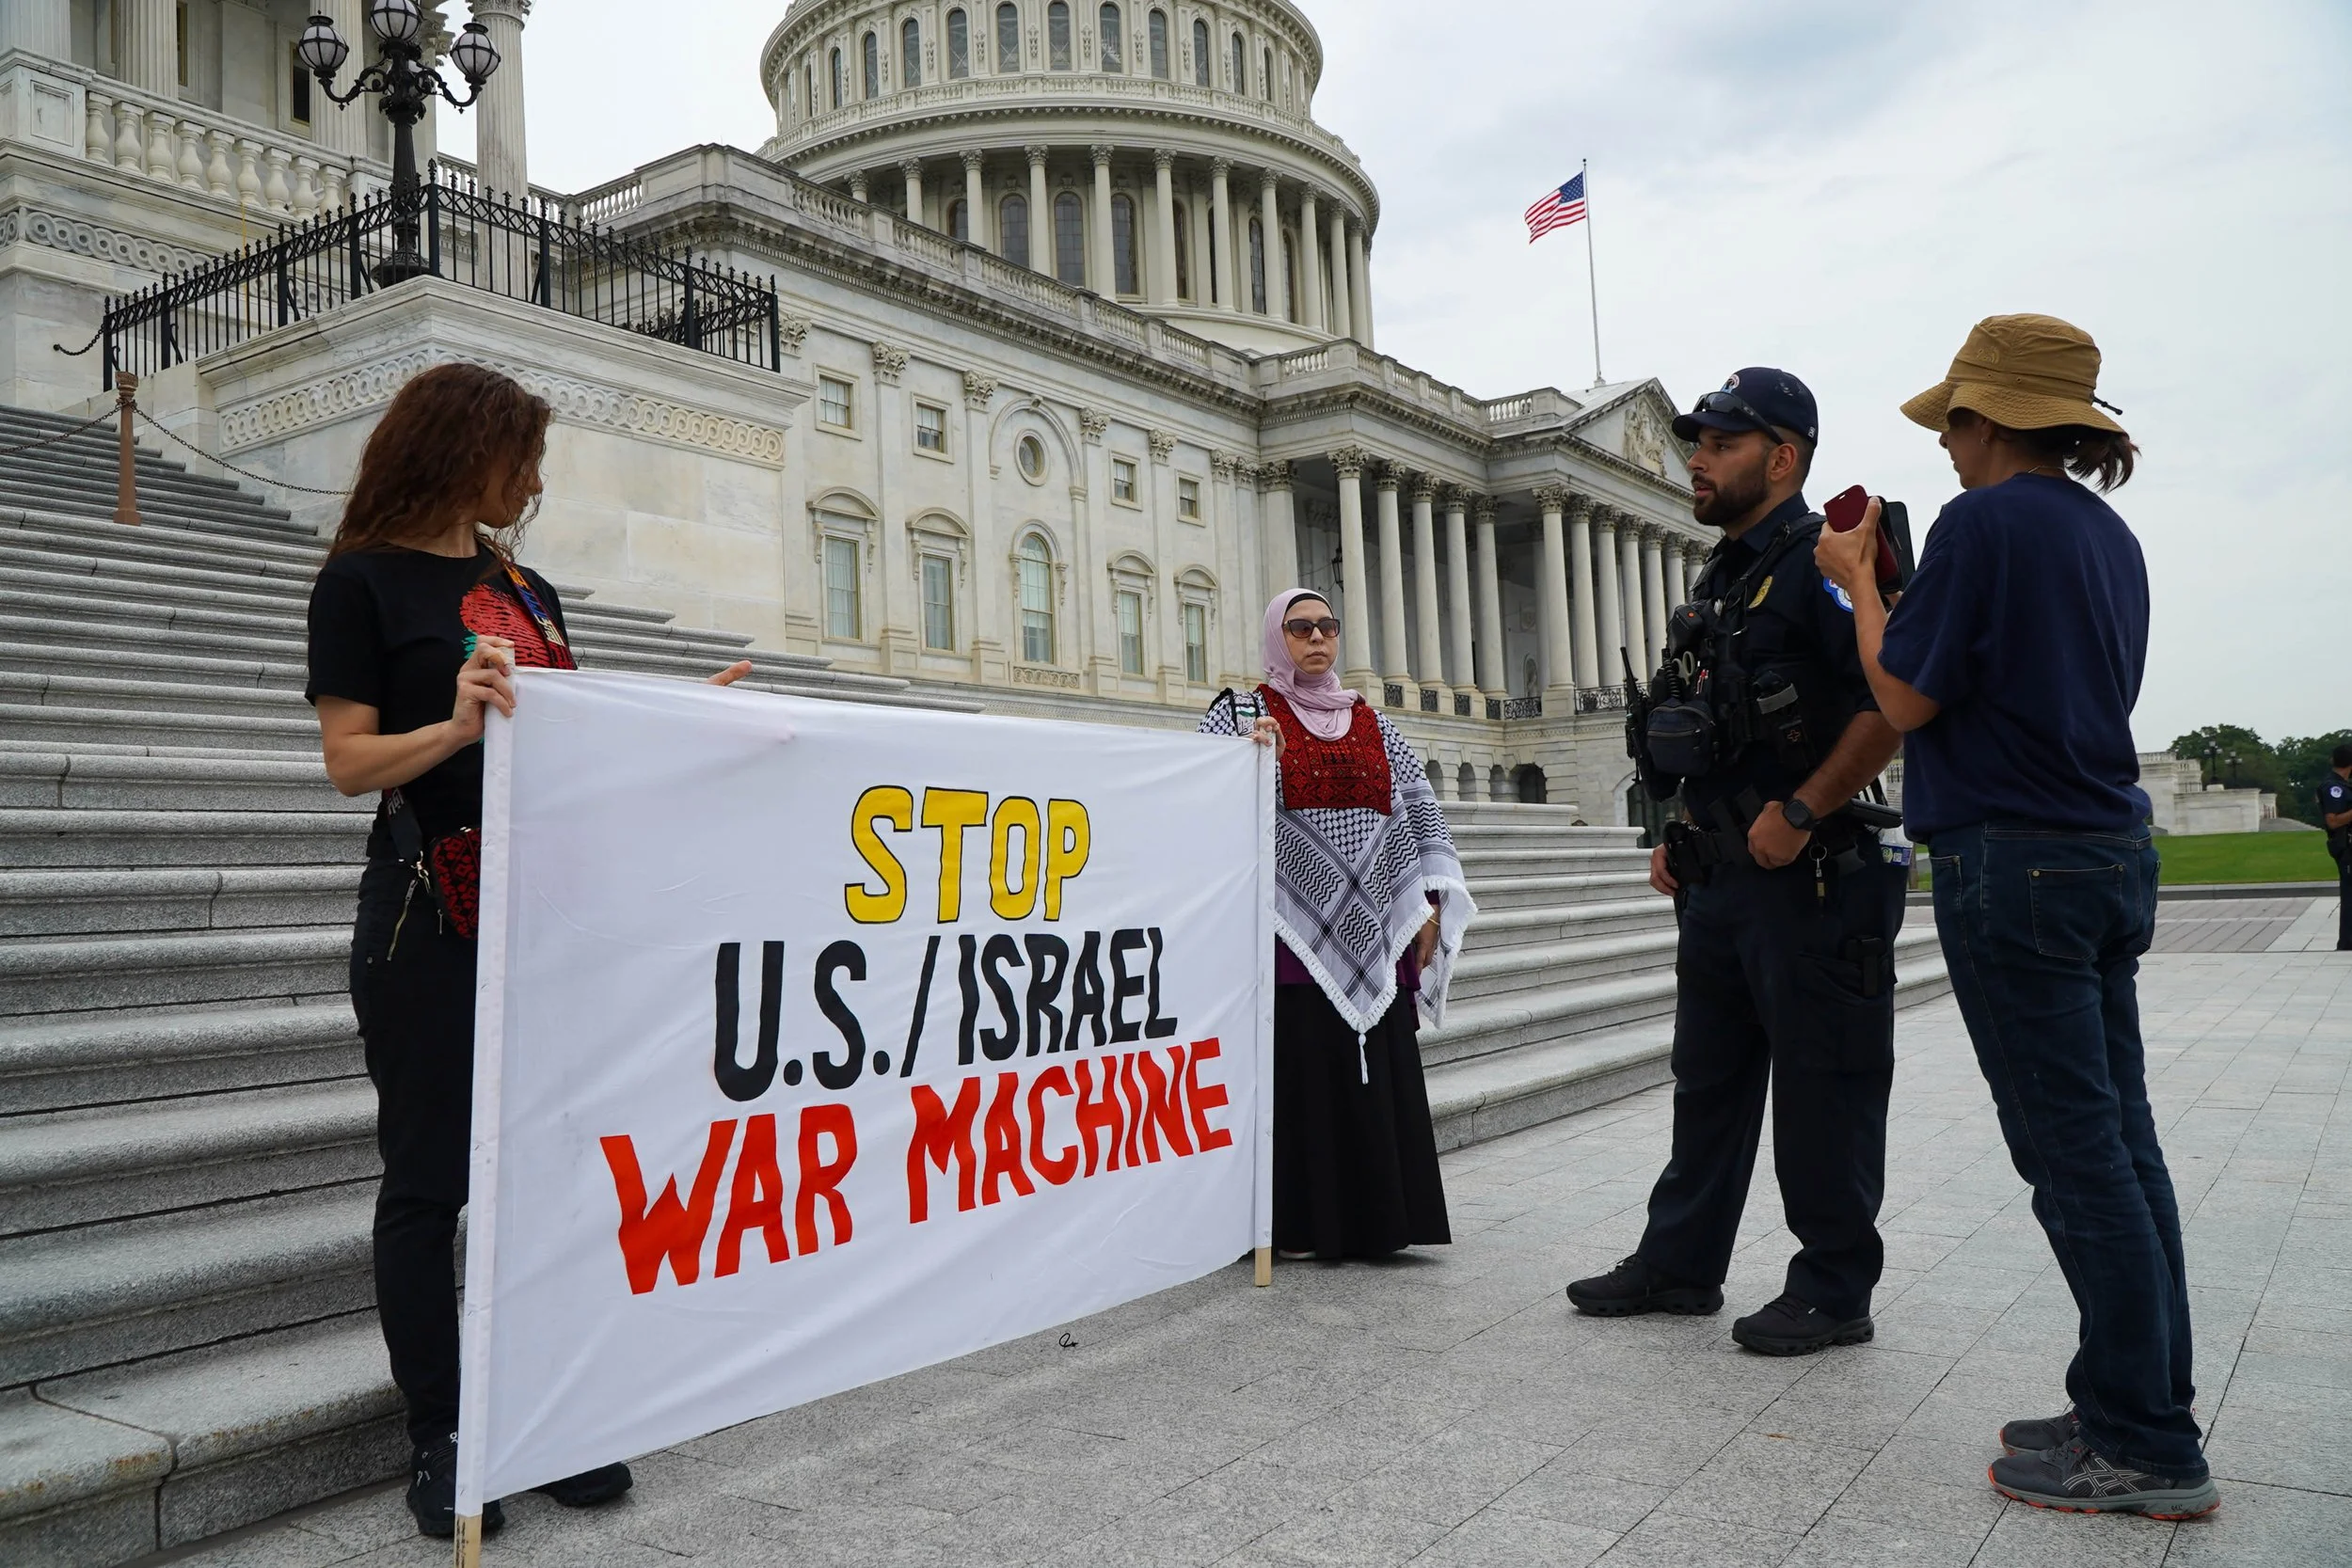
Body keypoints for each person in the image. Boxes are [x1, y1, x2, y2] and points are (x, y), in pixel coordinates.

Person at [305, 363, 751, 1538]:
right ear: (464, 450)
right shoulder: (358, 581)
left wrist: (676, 724)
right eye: (524, 458)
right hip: (426, 917)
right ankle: (443, 1433)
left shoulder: (527, 585)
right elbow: (348, 760)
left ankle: (539, 1408)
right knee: (429, 1182)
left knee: (548, 1171)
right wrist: (449, 724)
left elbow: (567, 743)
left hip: (546, 912)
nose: (537, 482)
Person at [1818, 312, 2218, 1519]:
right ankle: (2134, 1396)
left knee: (2070, 1156)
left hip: (2015, 857)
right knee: (2121, 1144)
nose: (1943, 442)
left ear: (1985, 421)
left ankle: (2143, 1442)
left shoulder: (1983, 522)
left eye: (1951, 419)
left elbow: (1908, 695)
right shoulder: (2111, 535)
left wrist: (1856, 588)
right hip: (2105, 849)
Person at [1565, 368, 1907, 1356]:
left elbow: (1887, 703)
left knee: (1823, 1086)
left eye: (1718, 443)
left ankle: (1833, 1284)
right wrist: (1682, 835)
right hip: (1720, 878)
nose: (1696, 460)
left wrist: (1803, 808)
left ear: (1783, 454)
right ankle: (1679, 1260)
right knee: (1706, 1082)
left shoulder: (1828, 564)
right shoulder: (1721, 575)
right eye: (1696, 442)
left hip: (1810, 878)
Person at [1198, 591, 1472, 1258]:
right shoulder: (1242, 713)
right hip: (1286, 935)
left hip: (1377, 930)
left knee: (1373, 1072)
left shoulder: (1373, 723)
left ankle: (1378, 1222)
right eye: (1300, 628)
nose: (1317, 638)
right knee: (1302, 1069)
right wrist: (1241, 759)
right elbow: (1197, 795)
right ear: (1277, 636)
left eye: (1327, 626)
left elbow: (1419, 809)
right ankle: (1295, 1224)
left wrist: (1430, 901)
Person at [2323, 743, 2352, 950]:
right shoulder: (2334, 788)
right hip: (2346, 846)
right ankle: (2348, 941)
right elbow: (2333, 821)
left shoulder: (2343, 785)